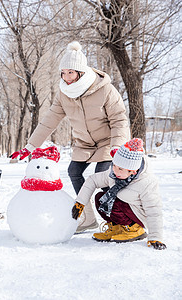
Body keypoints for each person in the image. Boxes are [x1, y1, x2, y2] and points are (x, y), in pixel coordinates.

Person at [11, 41, 130, 233]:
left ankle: (120, 222)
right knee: (74, 171)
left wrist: (117, 146)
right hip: (84, 144)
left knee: (103, 180)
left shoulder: (105, 89)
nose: (66, 77)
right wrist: (30, 146)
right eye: (63, 72)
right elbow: (49, 120)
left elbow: (119, 119)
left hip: (108, 142)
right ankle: (89, 217)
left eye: (71, 72)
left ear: (81, 72)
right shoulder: (64, 93)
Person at [71, 138, 166, 250]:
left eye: (120, 169)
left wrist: (155, 237)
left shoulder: (147, 182)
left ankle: (134, 230)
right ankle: (117, 228)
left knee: (116, 201)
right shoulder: (113, 173)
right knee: (100, 198)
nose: (115, 171)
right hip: (125, 211)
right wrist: (80, 202)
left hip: (138, 216)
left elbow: (153, 210)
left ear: (133, 171)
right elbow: (93, 180)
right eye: (114, 165)